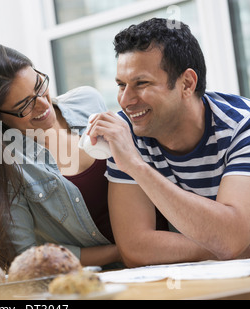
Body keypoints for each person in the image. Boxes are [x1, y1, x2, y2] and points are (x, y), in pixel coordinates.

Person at [87, 18, 250, 267]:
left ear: (187, 83)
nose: (126, 100)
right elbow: (135, 248)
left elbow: (230, 237)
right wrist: (227, 245)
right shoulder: (126, 131)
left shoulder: (242, 126)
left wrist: (136, 166)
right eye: (121, 85)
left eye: (141, 83)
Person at [0, 44, 123, 270]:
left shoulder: (87, 101)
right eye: (24, 105)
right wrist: (122, 251)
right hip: (105, 276)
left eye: (39, 85)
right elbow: (27, 256)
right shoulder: (3, 164)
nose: (43, 104)